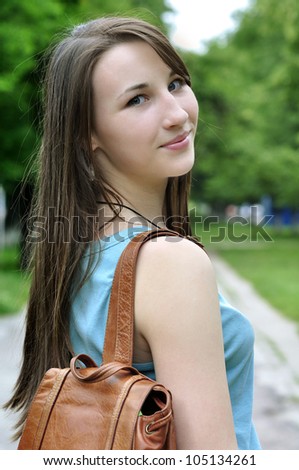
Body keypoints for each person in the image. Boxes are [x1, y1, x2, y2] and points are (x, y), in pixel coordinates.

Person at [6, 16, 261, 450]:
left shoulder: (73, 253)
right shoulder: (169, 262)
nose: (178, 114)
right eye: (138, 99)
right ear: (88, 133)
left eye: (176, 83)